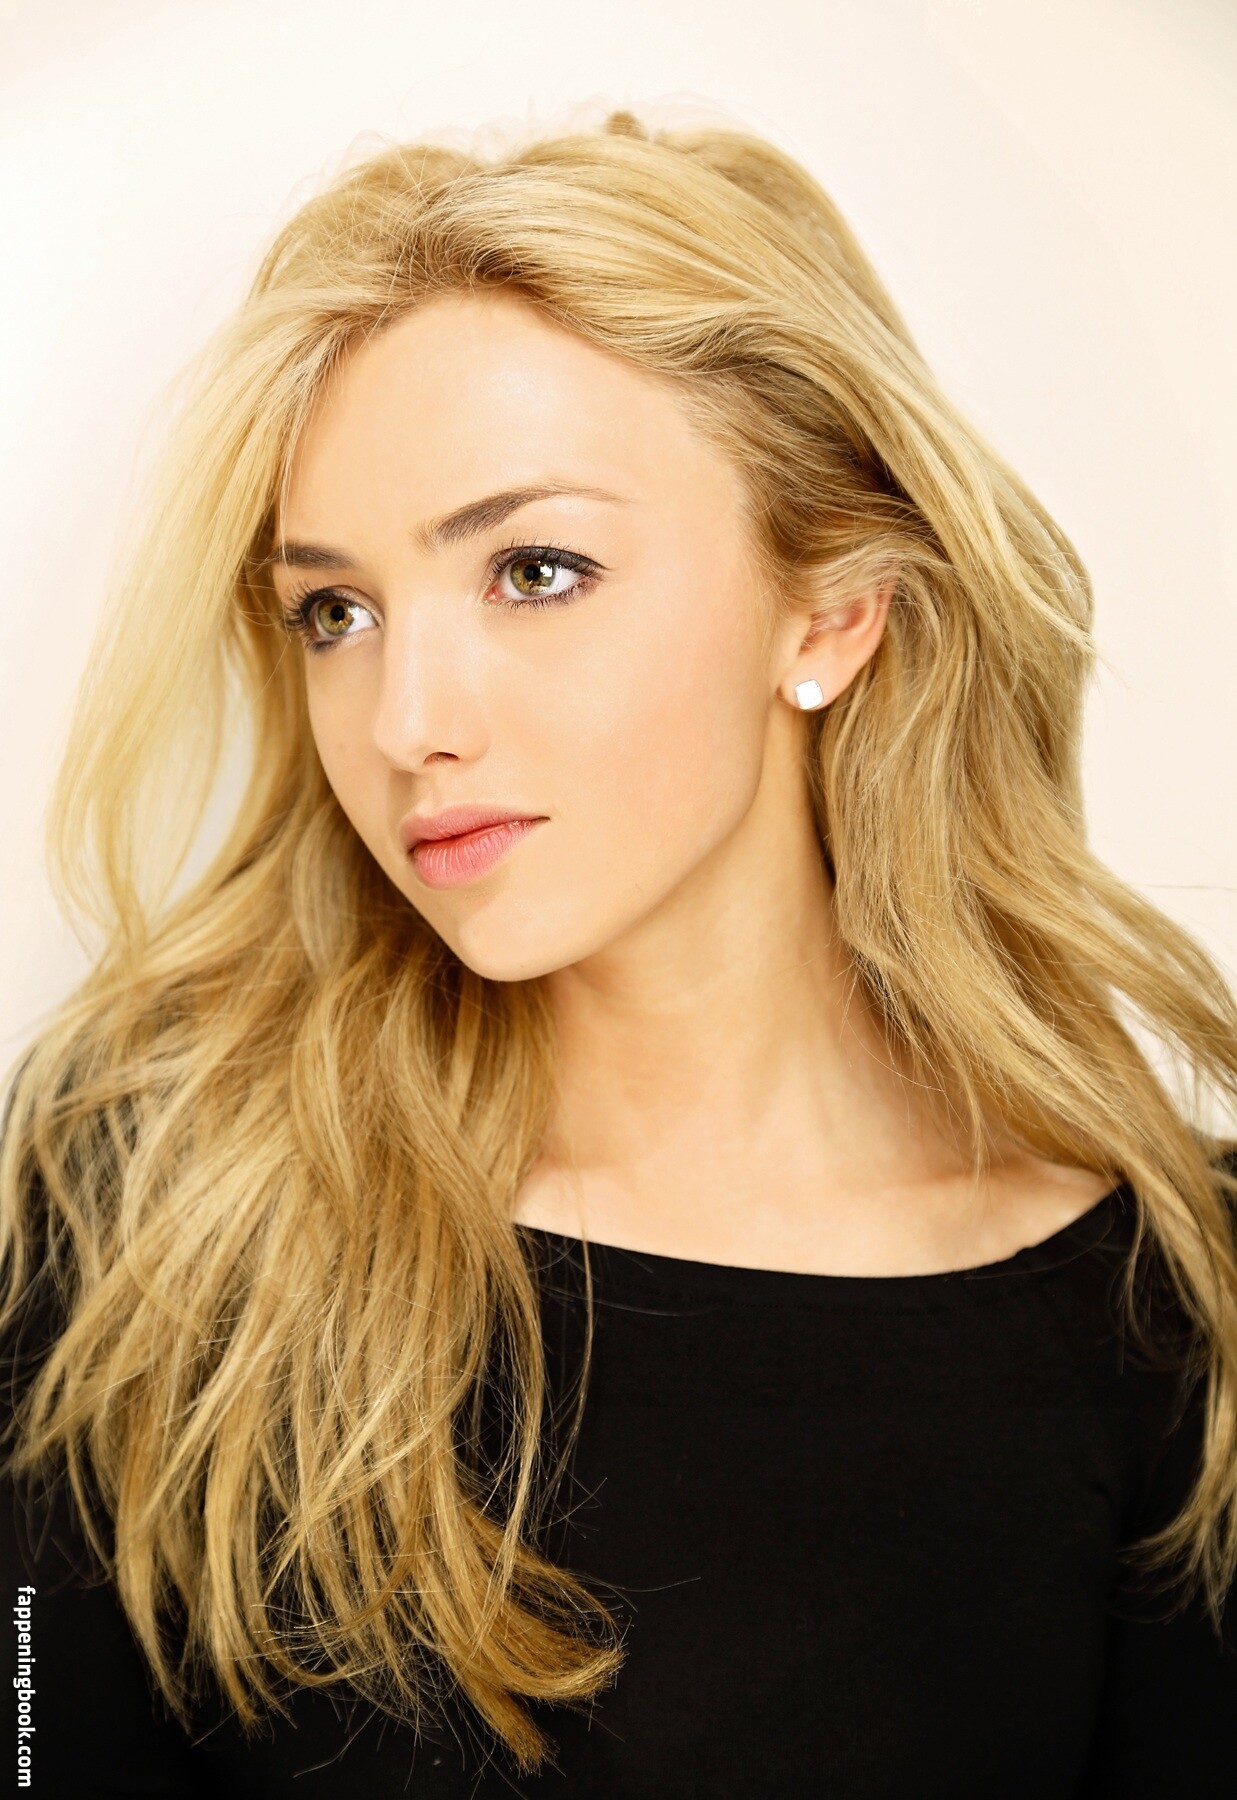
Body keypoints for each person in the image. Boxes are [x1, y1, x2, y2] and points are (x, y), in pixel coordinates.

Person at [1, 104, 1235, 1798]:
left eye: (534, 570)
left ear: (831, 609)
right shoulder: (159, 1192)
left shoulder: (1167, 1309)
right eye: (333, 613)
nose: (407, 721)